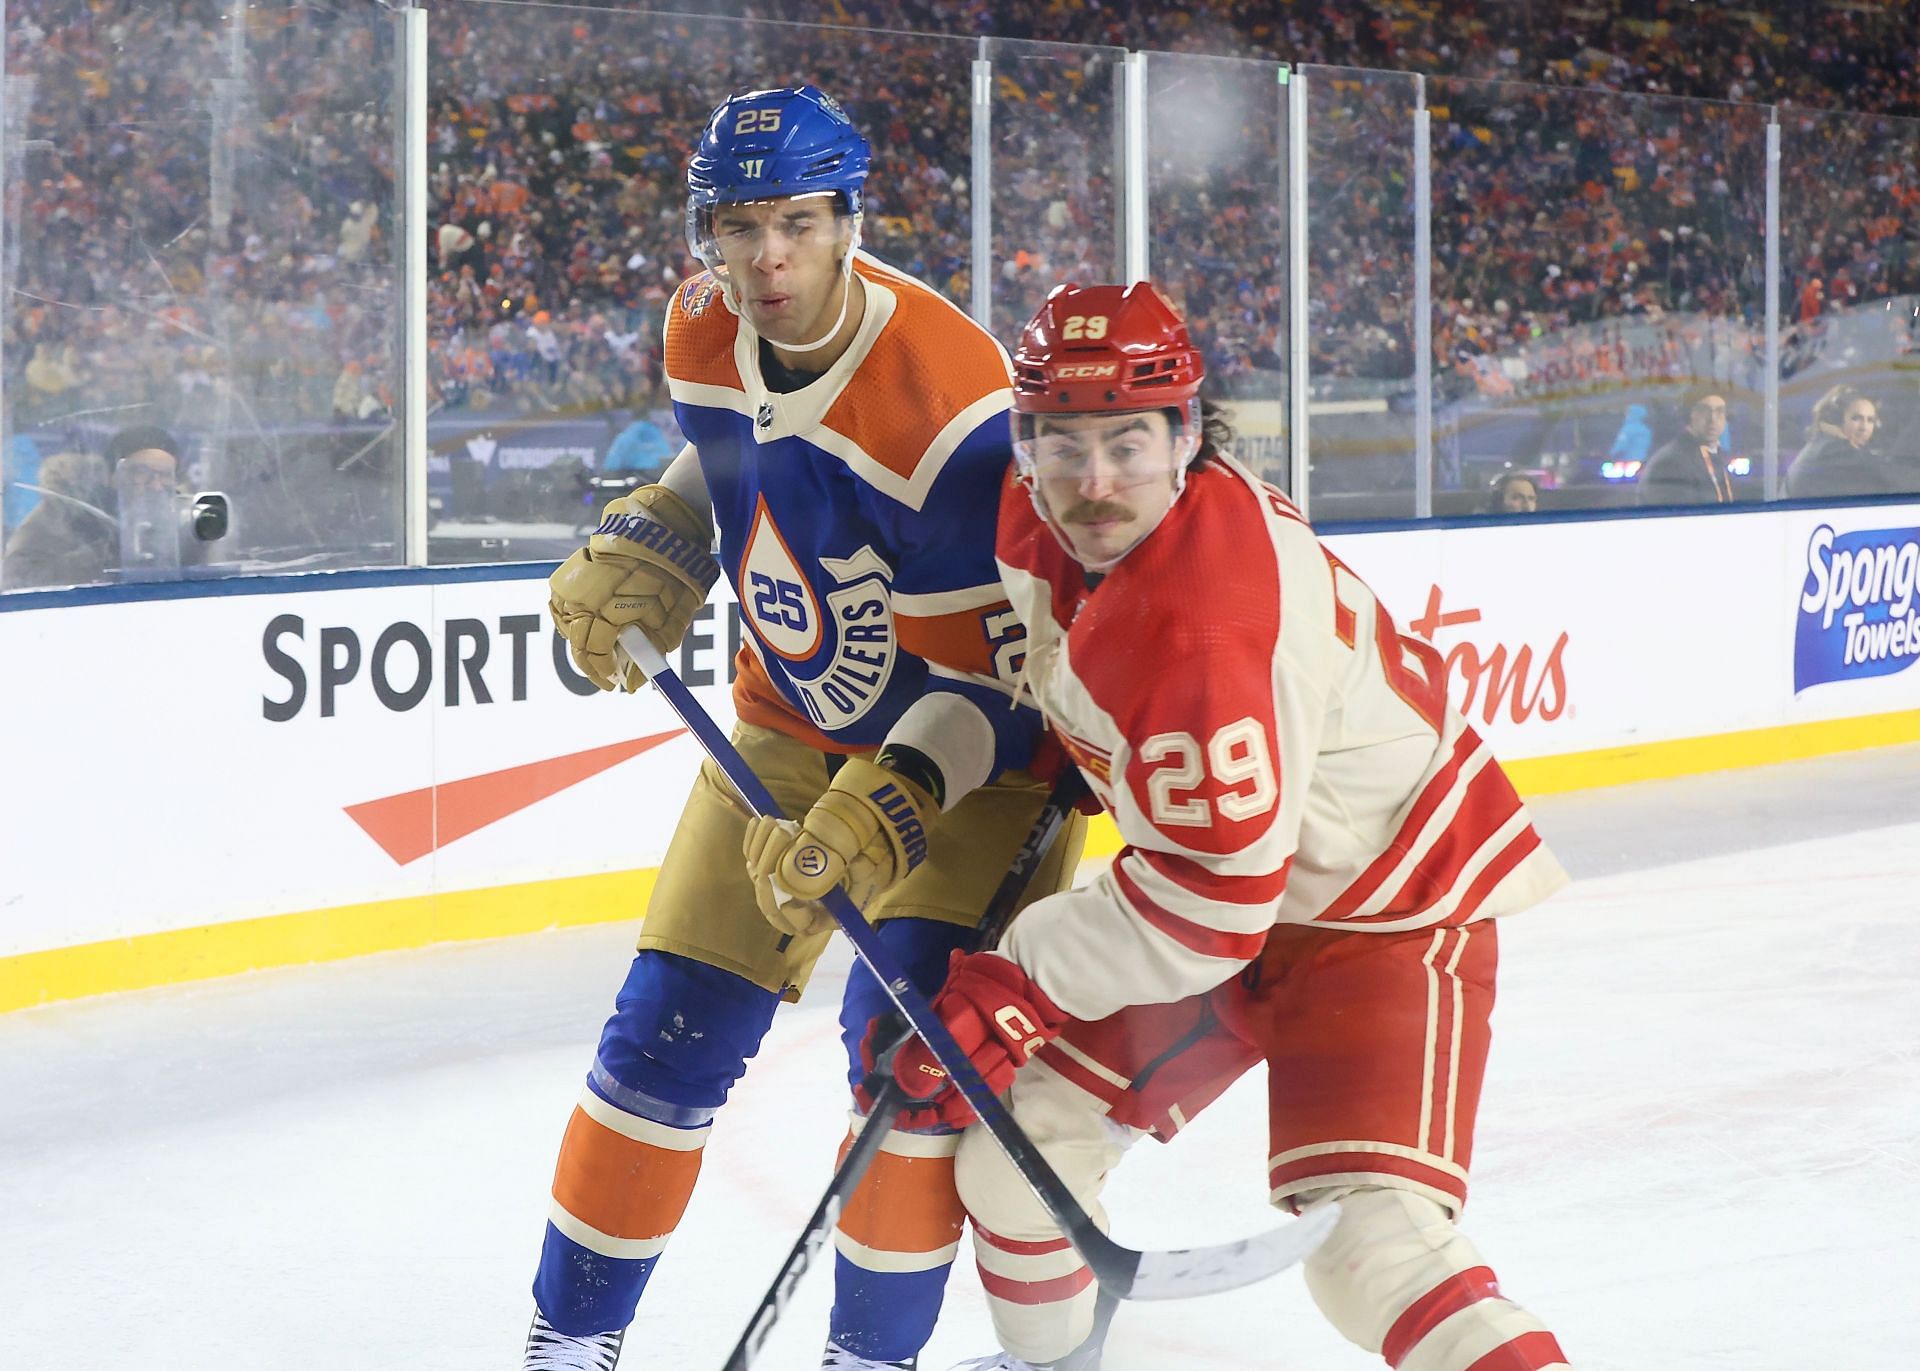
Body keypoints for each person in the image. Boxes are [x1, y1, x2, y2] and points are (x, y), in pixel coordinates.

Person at [865, 284, 1573, 1371]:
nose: (1094, 483)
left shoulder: (1203, 621)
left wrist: (1013, 982)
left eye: (1128, 444)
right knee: (1016, 1162)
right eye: (1063, 444)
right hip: (1215, 891)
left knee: (1371, 1252)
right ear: (1025, 441)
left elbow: (1213, 908)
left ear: (1186, 438)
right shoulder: (1040, 519)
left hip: (1379, 907)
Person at [530, 85, 1083, 1371]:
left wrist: (886, 808)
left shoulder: (951, 413)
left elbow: (989, 684)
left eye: (794, 223)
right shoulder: (700, 327)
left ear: (847, 221)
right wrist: (663, 526)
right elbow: (731, 457)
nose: (765, 257)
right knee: (662, 1027)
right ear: (706, 237)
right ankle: (569, 1345)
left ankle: (864, 1360)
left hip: (975, 763)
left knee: (905, 1067)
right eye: (736, 227)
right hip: (788, 721)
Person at [1784, 384, 1907, 498]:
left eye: (1870, 420)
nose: (1864, 427)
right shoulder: (1834, 451)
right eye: (1856, 418)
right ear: (1836, 419)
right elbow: (1896, 479)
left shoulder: (1824, 445)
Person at [1636, 387, 1733, 505]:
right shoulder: (1670, 462)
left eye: (1719, 412)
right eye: (1704, 411)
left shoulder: (1718, 456)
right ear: (1689, 414)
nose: (1712, 419)